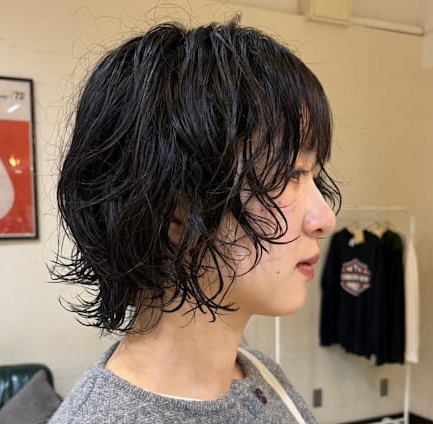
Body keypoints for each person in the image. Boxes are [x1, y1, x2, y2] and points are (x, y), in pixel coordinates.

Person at [50, 18, 340, 424]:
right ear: (176, 209)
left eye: (314, 176)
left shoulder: (263, 378)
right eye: (289, 174)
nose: (325, 218)